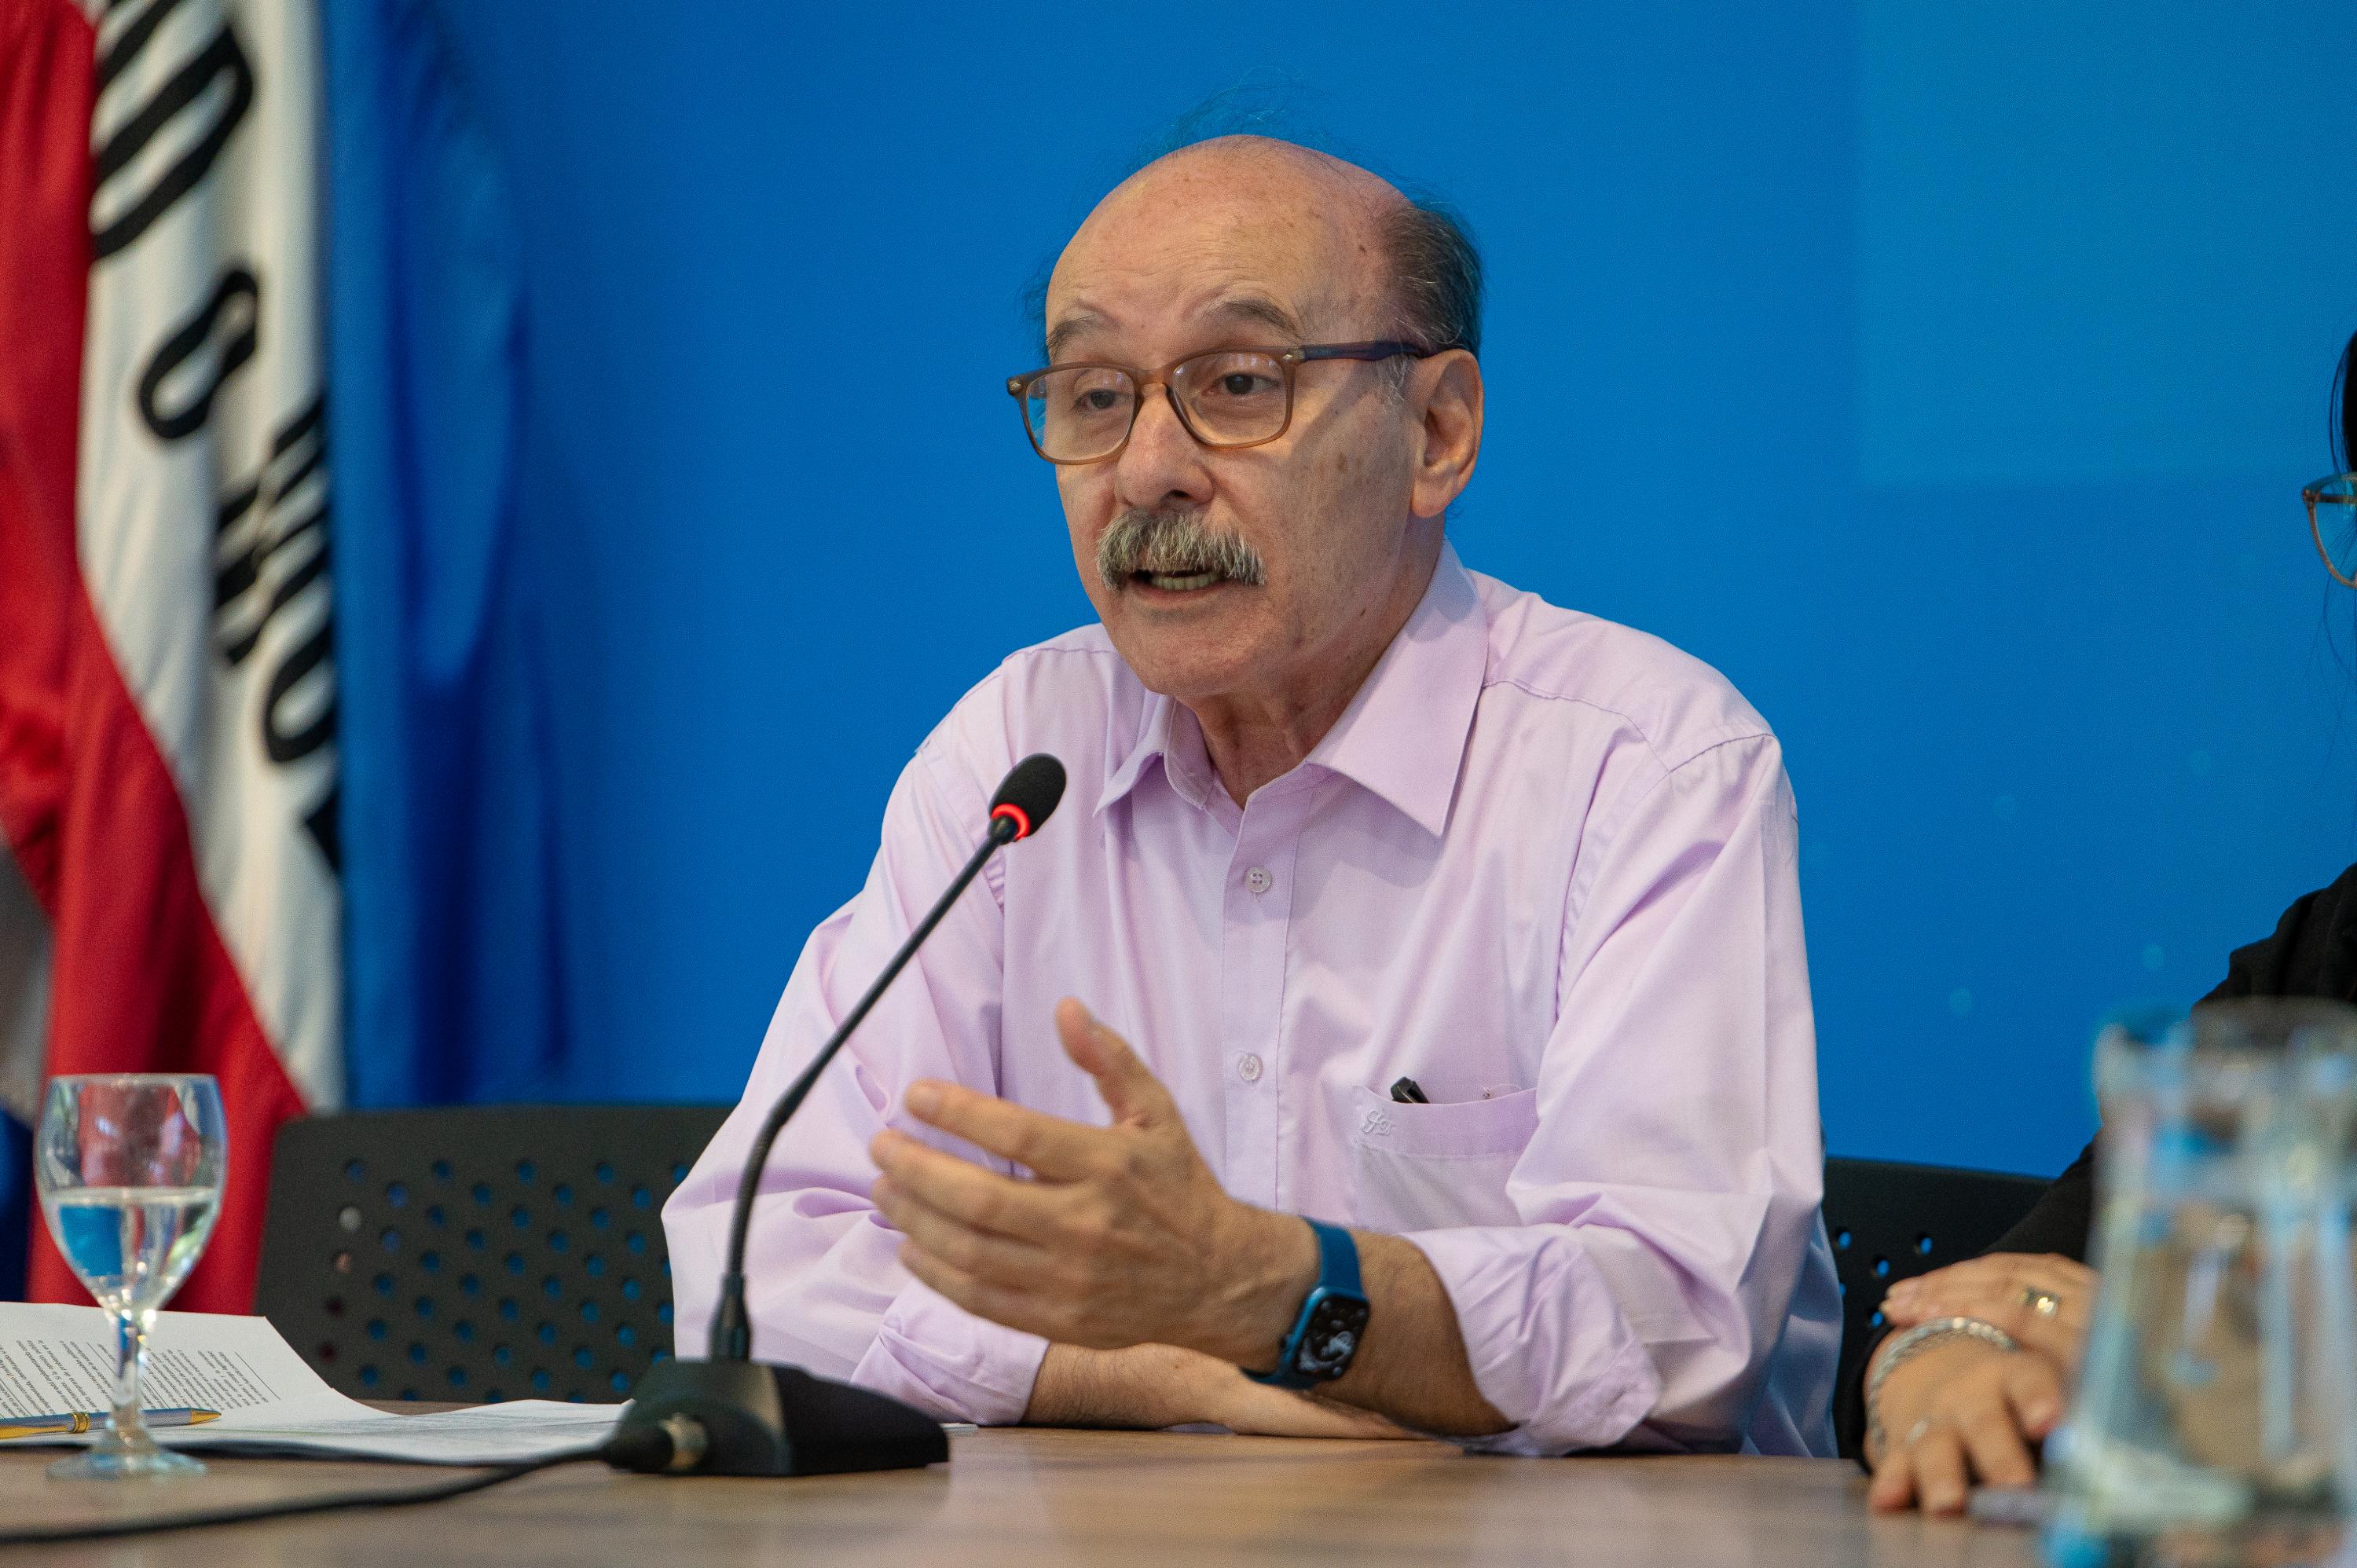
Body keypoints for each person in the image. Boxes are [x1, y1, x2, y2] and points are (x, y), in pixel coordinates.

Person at [665, 134, 1839, 1454]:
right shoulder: (1016, 758)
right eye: (1095, 396)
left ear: (1437, 433)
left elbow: (1677, 1327)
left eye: (1236, 384)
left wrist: (1278, 1293)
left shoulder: (1646, 769)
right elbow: (754, 1261)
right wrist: (1128, 1371)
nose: (1146, 471)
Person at [1846, 328, 2357, 1511]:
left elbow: (2170, 1349)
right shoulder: (2323, 955)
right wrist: (1942, 1370)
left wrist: (2233, 1368)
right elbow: (2004, 1287)